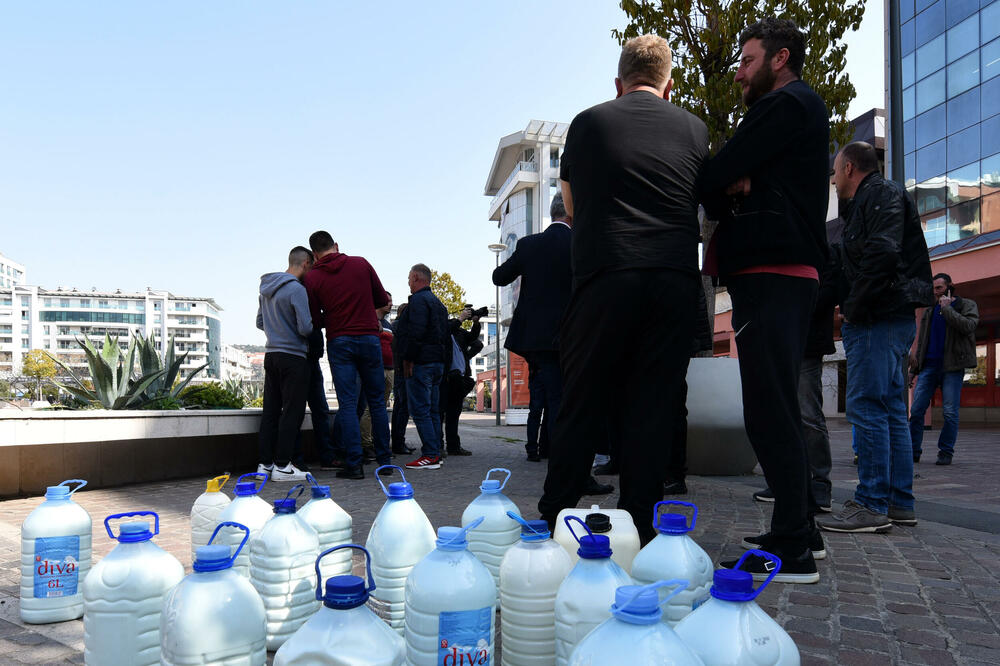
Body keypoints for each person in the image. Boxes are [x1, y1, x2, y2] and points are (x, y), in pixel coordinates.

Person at [537, 34, 707, 545]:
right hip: (674, 281)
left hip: (605, 275)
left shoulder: (588, 124)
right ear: (669, 85)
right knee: (653, 405)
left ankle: (554, 518)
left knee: (583, 400)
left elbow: (572, 204)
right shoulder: (696, 129)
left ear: (618, 83)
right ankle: (640, 523)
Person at [698, 18, 829, 582]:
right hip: (781, 272)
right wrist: (739, 180)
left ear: (780, 58)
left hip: (773, 272)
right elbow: (731, 177)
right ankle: (802, 528)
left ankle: (793, 546)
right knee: (778, 404)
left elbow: (714, 173)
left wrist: (732, 178)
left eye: (747, 60)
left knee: (769, 409)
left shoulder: (785, 105)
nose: (739, 71)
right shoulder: (796, 112)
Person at [816, 141, 932, 534]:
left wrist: (855, 306)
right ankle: (899, 502)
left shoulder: (879, 195)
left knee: (867, 406)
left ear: (850, 167)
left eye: (835, 171)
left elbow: (881, 254)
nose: (833, 180)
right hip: (889, 313)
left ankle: (871, 502)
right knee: (890, 409)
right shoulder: (880, 197)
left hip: (877, 316)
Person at [751, 219, 842, 512]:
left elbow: (828, 293)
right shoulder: (785, 248)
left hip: (807, 342)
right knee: (781, 413)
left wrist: (793, 301)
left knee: (807, 415)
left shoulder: (825, 251)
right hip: (780, 340)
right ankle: (785, 481)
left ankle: (819, 483)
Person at [305, 231, 393, 480]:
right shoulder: (361, 263)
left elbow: (314, 318)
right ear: (336, 245)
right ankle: (385, 462)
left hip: (339, 341)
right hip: (368, 338)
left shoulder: (312, 278)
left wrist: (333, 318)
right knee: (376, 402)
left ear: (314, 254)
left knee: (347, 403)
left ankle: (354, 464)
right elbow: (381, 298)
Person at [492, 193, 573, 463]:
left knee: (548, 398)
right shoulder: (580, 243)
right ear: (571, 213)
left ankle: (548, 450)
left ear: (552, 213)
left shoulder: (529, 244)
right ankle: (562, 461)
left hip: (535, 339)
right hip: (571, 335)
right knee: (562, 400)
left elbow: (499, 277)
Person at [255, 246, 314, 483]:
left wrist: (276, 329)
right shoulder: (297, 290)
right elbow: (306, 328)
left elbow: (260, 322)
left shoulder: (266, 289)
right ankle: (283, 466)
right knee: (292, 411)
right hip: (293, 356)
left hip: (272, 354)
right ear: (306, 263)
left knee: (270, 410)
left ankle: (265, 465)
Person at [908, 273, 979, 465]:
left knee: (950, 412)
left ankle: (945, 452)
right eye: (933, 289)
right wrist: (914, 371)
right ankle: (913, 451)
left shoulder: (966, 305)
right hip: (929, 367)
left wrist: (948, 310)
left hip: (952, 367)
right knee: (916, 411)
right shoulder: (930, 311)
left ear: (950, 287)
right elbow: (922, 342)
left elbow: (969, 326)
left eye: (939, 288)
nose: (936, 292)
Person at [401, 263, 450, 470]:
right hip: (437, 362)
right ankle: (435, 451)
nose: (408, 283)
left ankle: (430, 454)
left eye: (409, 279)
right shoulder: (438, 304)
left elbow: (416, 333)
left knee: (420, 409)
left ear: (416, 277)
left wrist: (409, 359)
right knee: (432, 410)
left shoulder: (419, 301)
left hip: (421, 363)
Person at [440, 307, 483, 457]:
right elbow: (444, 333)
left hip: (459, 377)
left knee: (454, 413)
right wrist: (460, 319)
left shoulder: (458, 331)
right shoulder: (441, 328)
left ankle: (453, 446)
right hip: (444, 378)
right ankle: (438, 446)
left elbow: (473, 338)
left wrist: (476, 323)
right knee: (439, 413)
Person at [360, 293, 395, 462]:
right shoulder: (369, 319)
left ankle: (378, 443)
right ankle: (366, 443)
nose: (390, 304)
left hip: (390, 369)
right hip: (375, 369)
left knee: (381, 407)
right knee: (370, 408)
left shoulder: (388, 324)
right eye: (387, 301)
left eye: (391, 302)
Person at [390, 303, 415, 455]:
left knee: (400, 407)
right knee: (402, 408)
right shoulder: (402, 326)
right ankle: (399, 443)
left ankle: (399, 442)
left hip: (398, 369)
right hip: (402, 371)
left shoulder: (395, 326)